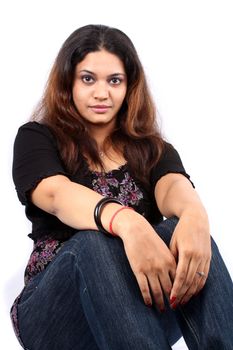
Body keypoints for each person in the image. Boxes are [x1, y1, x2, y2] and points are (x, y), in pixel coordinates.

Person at [10, 24, 233, 350]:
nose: (102, 93)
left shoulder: (152, 149)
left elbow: (173, 186)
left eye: (114, 81)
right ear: (68, 81)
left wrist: (196, 218)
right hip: (55, 317)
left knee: (187, 233)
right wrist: (127, 222)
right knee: (93, 242)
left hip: (141, 306)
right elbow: (57, 194)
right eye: (88, 79)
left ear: (129, 87)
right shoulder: (38, 138)